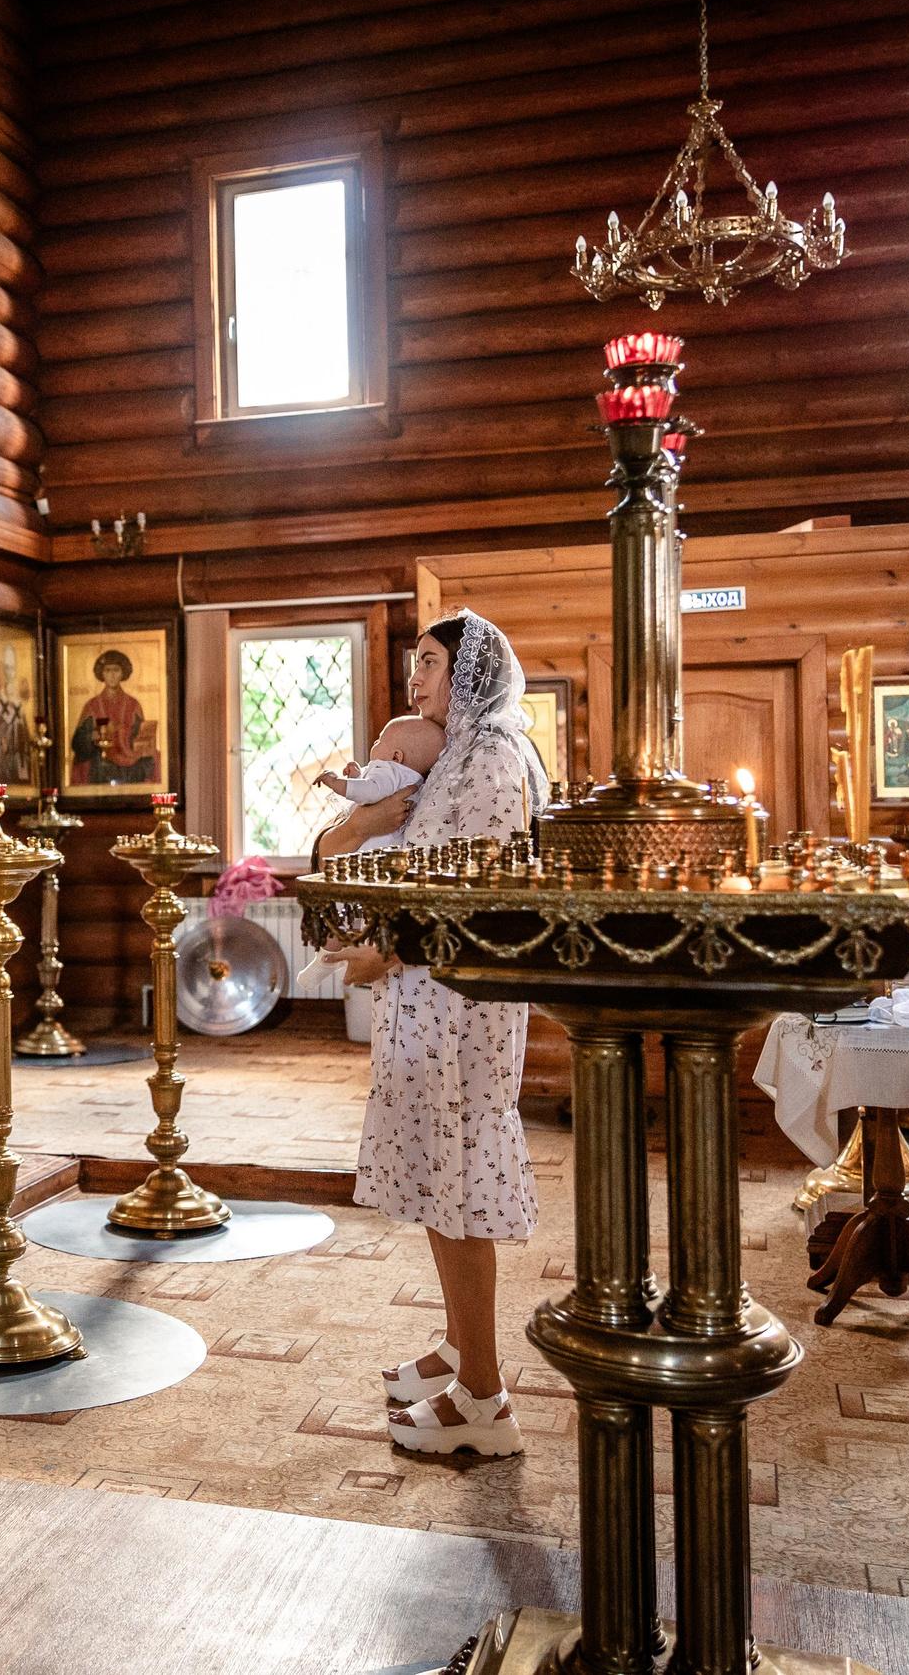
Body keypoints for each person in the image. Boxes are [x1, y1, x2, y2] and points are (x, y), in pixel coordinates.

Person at [317, 611, 549, 1458]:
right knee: (436, 1172)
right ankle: (461, 1347)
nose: (415, 681)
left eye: (430, 663)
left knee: (455, 1179)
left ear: (473, 673)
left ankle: (484, 1400)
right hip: (430, 995)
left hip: (460, 999)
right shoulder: (452, 752)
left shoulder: (488, 756)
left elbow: (468, 894)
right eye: (413, 664)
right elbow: (407, 859)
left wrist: (383, 951)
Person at [312, 714, 449, 850]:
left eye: (379, 741)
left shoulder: (389, 769)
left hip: (371, 849)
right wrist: (357, 776)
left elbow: (370, 792)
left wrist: (335, 782)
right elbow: (377, 791)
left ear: (396, 756)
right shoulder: (407, 778)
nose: (375, 744)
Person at [72, 647, 156, 786]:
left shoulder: (133, 705)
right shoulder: (92, 706)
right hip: (100, 763)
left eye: (116, 670)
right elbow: (77, 743)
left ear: (123, 673)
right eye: (107, 670)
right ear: (102, 674)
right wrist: (95, 735)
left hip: (130, 764)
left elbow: (141, 738)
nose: (111, 675)